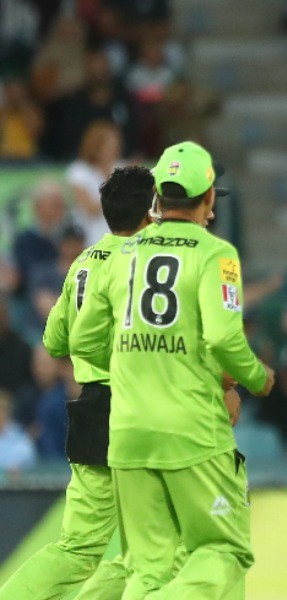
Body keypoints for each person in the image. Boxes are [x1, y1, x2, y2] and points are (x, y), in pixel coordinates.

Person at [70, 141, 274, 598]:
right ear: (208, 199)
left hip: (127, 432)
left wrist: (137, 364)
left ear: (158, 199)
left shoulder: (122, 255)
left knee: (146, 569)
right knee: (224, 551)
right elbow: (223, 340)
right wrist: (258, 378)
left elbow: (83, 341)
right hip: (191, 431)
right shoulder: (215, 254)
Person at [0, 165, 174, 600]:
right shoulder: (143, 263)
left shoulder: (84, 262)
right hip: (134, 407)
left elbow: (53, 339)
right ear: (150, 211)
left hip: (91, 407)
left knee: (79, 548)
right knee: (155, 548)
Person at [66, 119, 122, 245]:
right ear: (97, 146)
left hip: (119, 237)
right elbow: (89, 209)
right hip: (89, 238)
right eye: (110, 146)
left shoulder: (121, 167)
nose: (115, 150)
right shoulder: (79, 171)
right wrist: (118, 191)